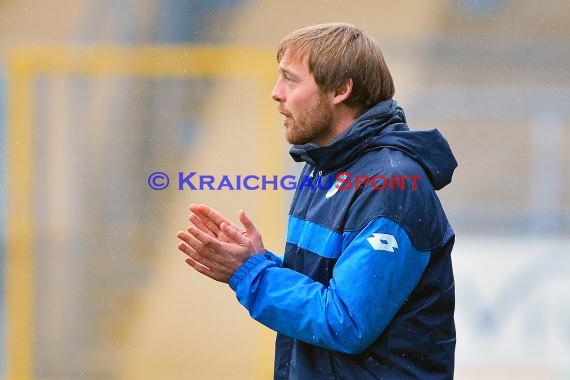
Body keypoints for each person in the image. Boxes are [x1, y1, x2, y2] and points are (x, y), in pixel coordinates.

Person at [177, 23, 458, 379]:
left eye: (290, 80)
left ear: (341, 90)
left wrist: (251, 273)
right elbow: (324, 286)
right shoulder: (320, 168)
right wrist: (255, 260)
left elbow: (346, 322)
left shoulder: (392, 185)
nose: (276, 93)